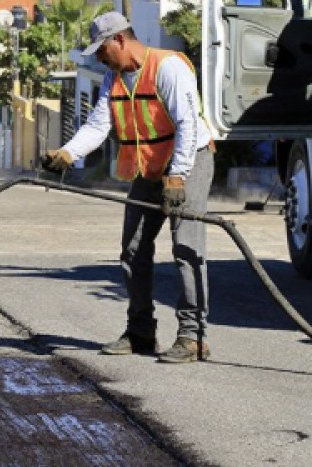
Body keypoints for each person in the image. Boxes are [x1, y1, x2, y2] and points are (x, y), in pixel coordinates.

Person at [45, 12, 214, 364]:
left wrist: (179, 175)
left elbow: (187, 125)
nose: (99, 58)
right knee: (133, 248)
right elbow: (98, 125)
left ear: (120, 39)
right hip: (150, 165)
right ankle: (140, 332)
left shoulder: (168, 68)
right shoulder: (114, 77)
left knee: (186, 247)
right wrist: (67, 153)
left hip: (189, 161)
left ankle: (192, 336)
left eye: (102, 50)